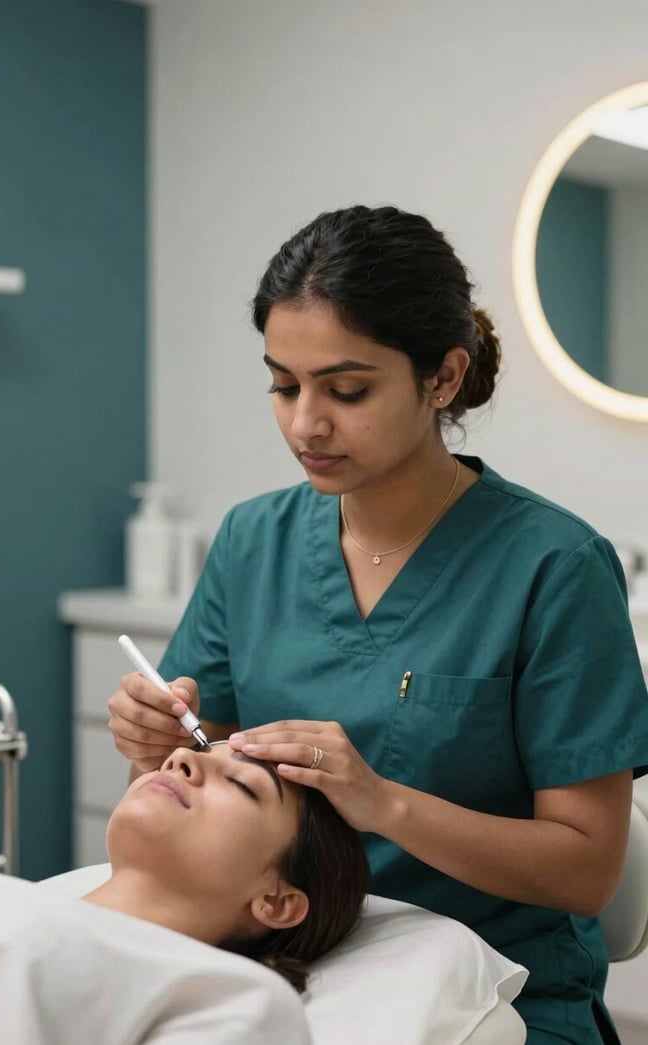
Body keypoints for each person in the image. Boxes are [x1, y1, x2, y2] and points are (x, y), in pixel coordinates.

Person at [107, 204, 648, 1045]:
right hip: (285, 965)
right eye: (284, 385)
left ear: (443, 377)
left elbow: (587, 871)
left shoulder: (554, 566)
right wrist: (153, 745)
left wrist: (385, 802)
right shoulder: (254, 540)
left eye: (347, 390)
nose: (305, 424)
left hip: (494, 993)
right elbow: (202, 761)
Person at [0, 741, 369, 1045]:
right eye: (195, 751)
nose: (180, 758)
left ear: (278, 902)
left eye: (242, 784)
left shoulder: (236, 998)